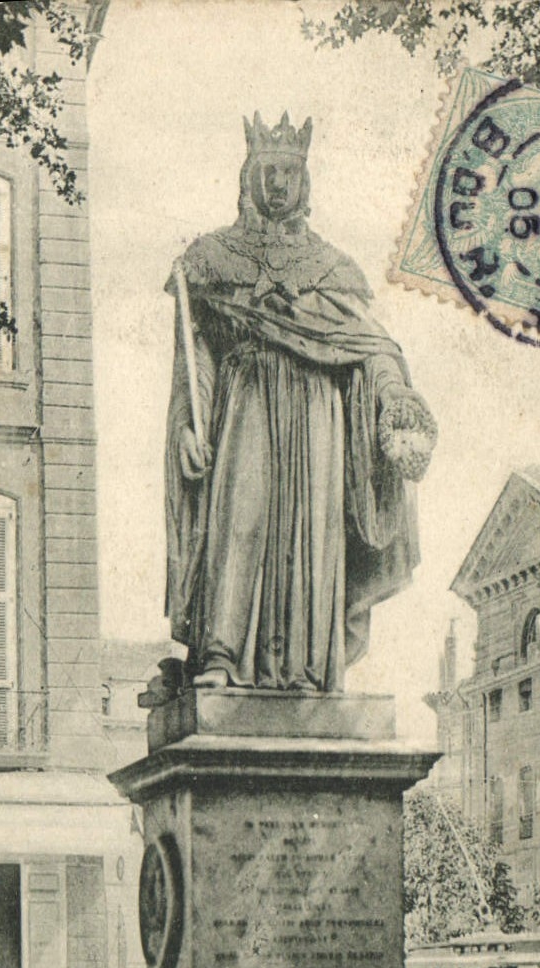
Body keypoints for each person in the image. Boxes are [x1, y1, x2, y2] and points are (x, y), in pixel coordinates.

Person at [164, 111, 436, 692]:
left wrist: (394, 396)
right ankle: (222, 657)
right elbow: (197, 356)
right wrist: (190, 422)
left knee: (314, 535)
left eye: (289, 172)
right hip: (246, 403)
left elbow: (370, 345)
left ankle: (310, 671)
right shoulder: (211, 257)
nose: (279, 184)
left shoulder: (332, 267)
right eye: (269, 171)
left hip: (318, 413)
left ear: (304, 180)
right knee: (240, 521)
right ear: (249, 177)